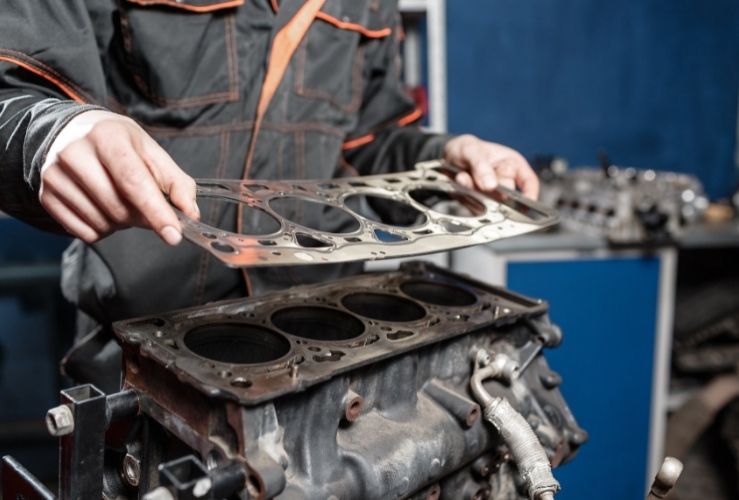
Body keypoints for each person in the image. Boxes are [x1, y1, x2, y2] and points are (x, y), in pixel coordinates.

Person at [0, 0, 539, 392]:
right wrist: (54, 134)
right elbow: (15, 91)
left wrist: (444, 157)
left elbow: (366, 142)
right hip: (145, 349)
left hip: (326, 342)